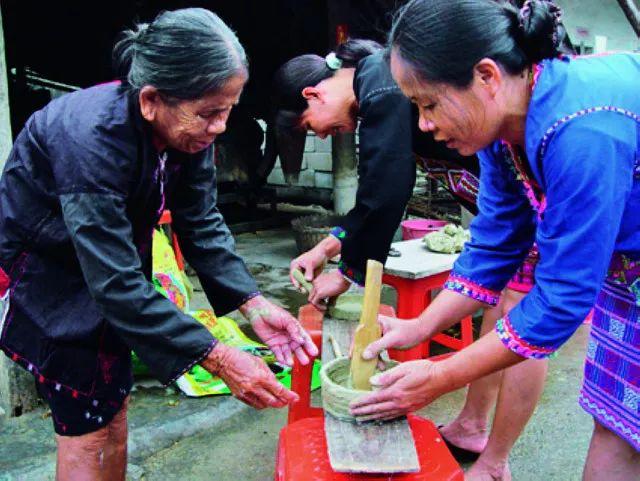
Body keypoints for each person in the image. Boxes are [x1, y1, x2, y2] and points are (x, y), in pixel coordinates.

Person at [0, 9, 317, 480]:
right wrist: (220, 357)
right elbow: (115, 284)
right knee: (86, 428)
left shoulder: (188, 131)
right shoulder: (90, 138)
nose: (221, 126)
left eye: (228, 109)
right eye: (209, 113)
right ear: (151, 101)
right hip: (49, 278)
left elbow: (201, 221)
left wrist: (253, 303)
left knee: (115, 406)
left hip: (110, 266)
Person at [349, 1, 640, 480]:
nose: (423, 125)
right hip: (627, 275)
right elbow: (495, 244)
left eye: (428, 104)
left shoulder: (584, 128)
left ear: (486, 76)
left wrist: (440, 376)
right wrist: (419, 327)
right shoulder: (502, 130)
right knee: (619, 422)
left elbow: (562, 298)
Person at [273, 38, 546, 479]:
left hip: (527, 202)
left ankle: (495, 461)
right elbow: (376, 196)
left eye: (310, 127)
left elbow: (387, 190)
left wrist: (349, 273)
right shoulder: (379, 82)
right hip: (505, 209)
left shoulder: (379, 80)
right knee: (501, 300)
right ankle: (474, 425)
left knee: (525, 312)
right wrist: (328, 247)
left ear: (313, 94)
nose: (322, 135)